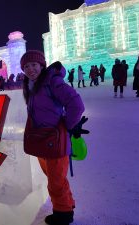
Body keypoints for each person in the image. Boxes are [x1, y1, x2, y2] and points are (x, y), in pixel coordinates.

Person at [20, 50, 87, 225]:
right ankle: (67, 205)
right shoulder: (30, 85)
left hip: (55, 139)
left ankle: (63, 215)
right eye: (26, 66)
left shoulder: (52, 81)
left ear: (42, 65)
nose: (30, 69)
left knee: (56, 181)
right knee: (55, 178)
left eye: (34, 65)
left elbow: (76, 104)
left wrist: (68, 125)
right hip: (42, 139)